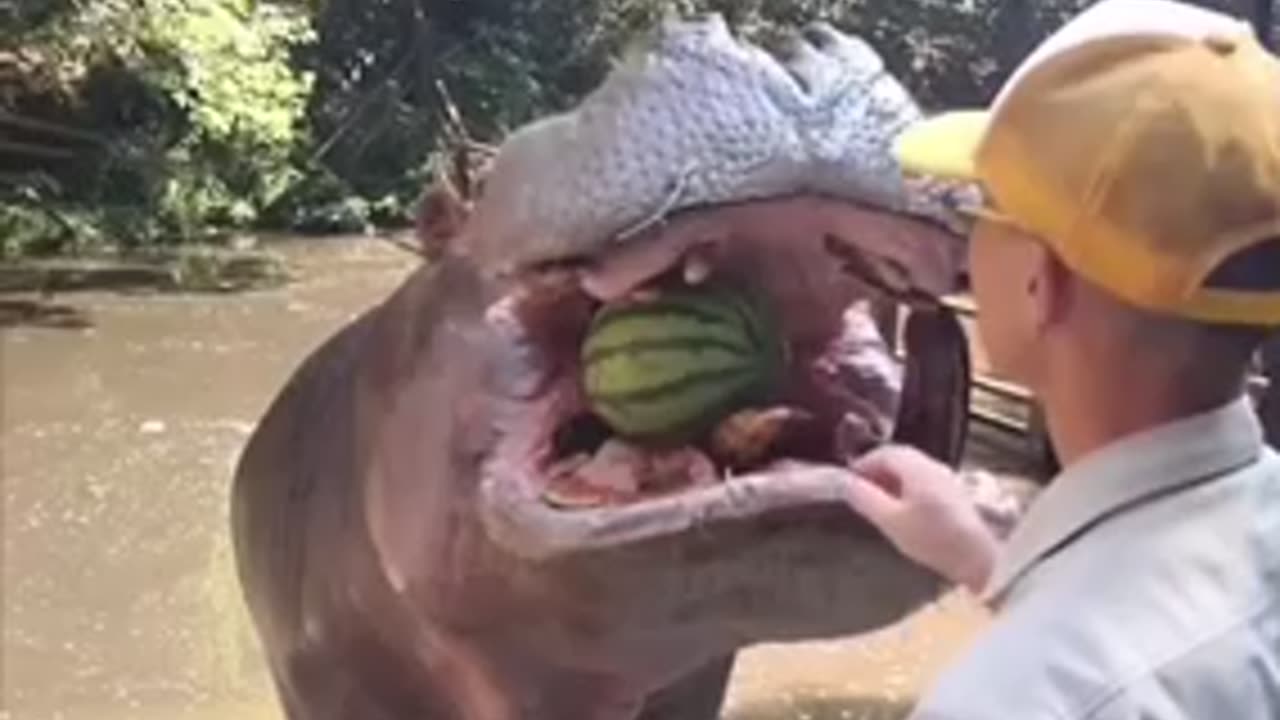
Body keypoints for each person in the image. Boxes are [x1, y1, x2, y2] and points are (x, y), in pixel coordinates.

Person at [842, 0, 1280, 717]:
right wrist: (985, 561)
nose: (966, 239)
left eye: (982, 206)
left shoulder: (1012, 700)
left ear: (1039, 282)